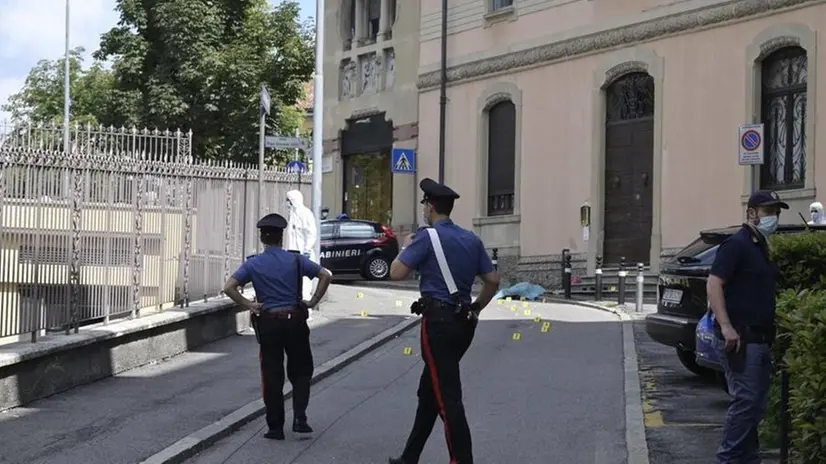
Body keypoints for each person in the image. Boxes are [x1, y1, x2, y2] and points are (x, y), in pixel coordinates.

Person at [388, 178, 500, 464]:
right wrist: (476, 307)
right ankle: (409, 457)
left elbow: (396, 273)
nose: (424, 208)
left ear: (430, 207)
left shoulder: (427, 237)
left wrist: (405, 246)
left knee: (447, 396)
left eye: (425, 203)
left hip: (437, 323)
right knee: (430, 390)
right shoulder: (471, 239)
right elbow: (492, 280)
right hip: (463, 323)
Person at [223, 213, 333, 440]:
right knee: (301, 371)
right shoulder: (295, 260)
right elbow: (325, 275)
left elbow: (229, 287)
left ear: (263, 238)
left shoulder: (253, 263)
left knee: (272, 375)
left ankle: (275, 427)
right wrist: (312, 302)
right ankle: (300, 419)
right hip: (296, 323)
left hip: (269, 324)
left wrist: (250, 305)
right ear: (281, 237)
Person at [706, 190, 787, 464]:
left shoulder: (760, 247)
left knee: (755, 405)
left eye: (776, 212)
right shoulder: (737, 245)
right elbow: (714, 284)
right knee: (746, 402)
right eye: (767, 211)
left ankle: (748, 459)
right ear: (751, 213)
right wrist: (726, 327)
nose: (773, 217)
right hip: (741, 338)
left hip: (760, 338)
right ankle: (728, 459)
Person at [285, 190, 318, 302]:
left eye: (288, 200)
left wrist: (307, 249)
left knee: (305, 283)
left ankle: (306, 309)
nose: (287, 203)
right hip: (292, 253)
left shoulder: (306, 214)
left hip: (303, 253)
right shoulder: (292, 215)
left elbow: (311, 233)